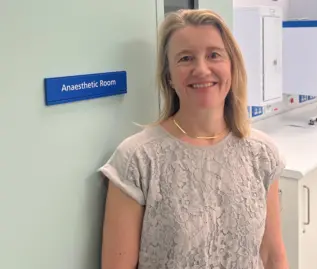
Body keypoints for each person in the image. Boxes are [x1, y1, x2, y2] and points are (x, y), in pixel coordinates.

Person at [99, 8, 288, 269]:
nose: (201, 69)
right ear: (170, 77)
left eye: (214, 55)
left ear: (231, 67)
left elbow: (272, 256)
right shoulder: (137, 160)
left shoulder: (262, 154)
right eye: (186, 58)